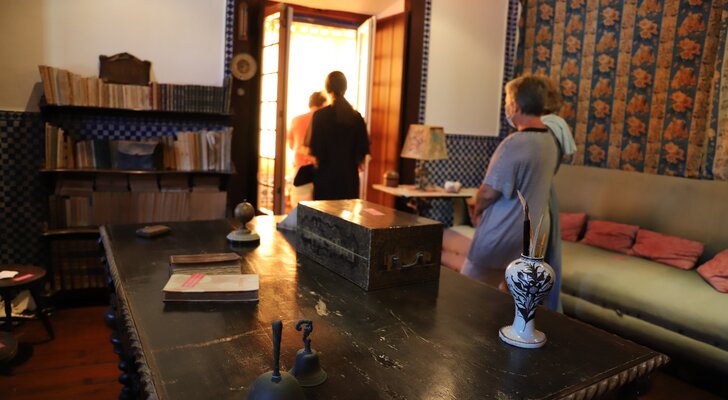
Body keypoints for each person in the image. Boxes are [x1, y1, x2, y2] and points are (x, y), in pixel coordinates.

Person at [462, 76, 560, 308]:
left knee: (466, 294)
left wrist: (476, 209)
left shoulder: (514, 143)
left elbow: (488, 192)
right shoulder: (551, 141)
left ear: (515, 105)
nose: (506, 107)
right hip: (535, 237)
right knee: (515, 301)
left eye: (507, 101)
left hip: (504, 230)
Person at [537, 76, 576, 312]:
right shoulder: (553, 126)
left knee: (540, 256)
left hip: (539, 193)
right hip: (544, 191)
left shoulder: (546, 128)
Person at [307, 71, 370, 200]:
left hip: (325, 179)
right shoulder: (356, 117)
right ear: (345, 88)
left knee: (322, 213)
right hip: (349, 180)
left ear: (327, 89)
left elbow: (315, 152)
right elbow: (362, 154)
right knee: (346, 213)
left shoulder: (320, 116)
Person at [288, 91, 327, 206]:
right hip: (319, 171)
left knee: (299, 209)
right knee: (319, 209)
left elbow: (291, 145)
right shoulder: (323, 120)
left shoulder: (296, 120)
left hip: (300, 171)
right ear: (323, 104)